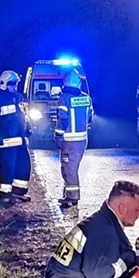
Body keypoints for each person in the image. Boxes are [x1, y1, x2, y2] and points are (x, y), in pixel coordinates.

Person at [0, 70, 32, 208]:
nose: (14, 86)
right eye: (12, 84)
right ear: (4, 84)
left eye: (16, 83)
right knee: (7, 168)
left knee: (24, 166)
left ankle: (19, 192)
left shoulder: (19, 98)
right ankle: (4, 195)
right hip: (6, 142)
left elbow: (24, 116)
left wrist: (28, 127)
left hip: (21, 141)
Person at [55, 69, 94, 209]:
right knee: (72, 168)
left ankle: (72, 198)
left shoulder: (64, 98)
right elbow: (90, 118)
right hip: (82, 141)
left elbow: (62, 120)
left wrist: (58, 136)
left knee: (68, 169)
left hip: (69, 141)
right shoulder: (86, 98)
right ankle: (70, 195)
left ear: (65, 82)